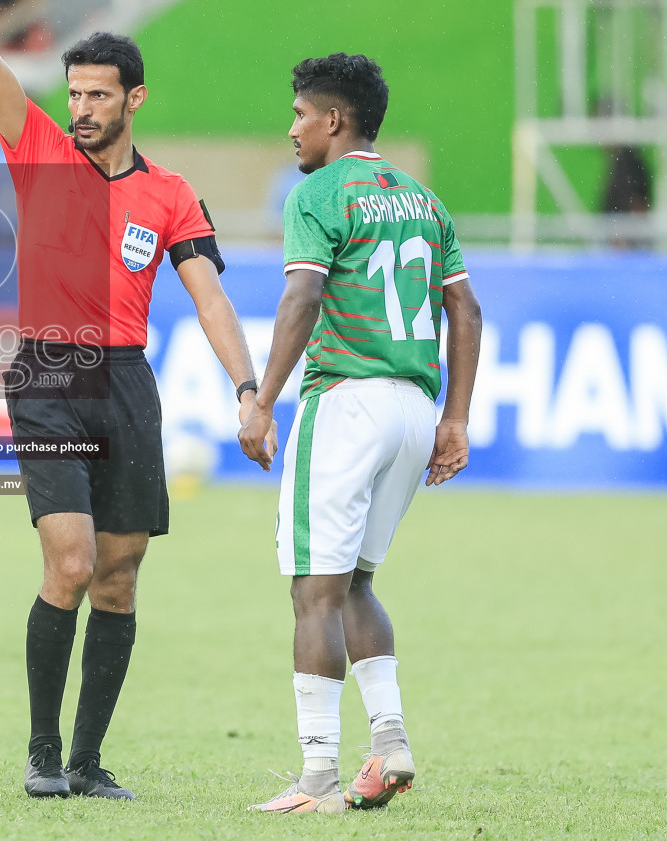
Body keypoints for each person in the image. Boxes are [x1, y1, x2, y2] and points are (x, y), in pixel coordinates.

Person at [0, 0, 267, 801]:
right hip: (47, 368)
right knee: (70, 563)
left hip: (126, 381)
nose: (79, 107)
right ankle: (41, 753)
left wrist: (248, 389)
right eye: (73, 92)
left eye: (95, 95)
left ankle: (87, 762)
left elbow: (209, 300)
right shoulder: (35, 151)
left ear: (133, 100)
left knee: (118, 578)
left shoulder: (171, 195)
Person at [237, 53, 482, 814]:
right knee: (356, 583)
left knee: (313, 588)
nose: (292, 129)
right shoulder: (423, 201)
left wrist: (262, 400)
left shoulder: (317, 193)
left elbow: (301, 295)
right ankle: (388, 744)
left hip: (344, 400)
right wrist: (454, 420)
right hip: (413, 406)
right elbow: (465, 314)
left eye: (300, 114)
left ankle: (315, 780)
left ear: (333, 120)